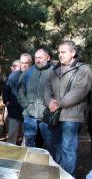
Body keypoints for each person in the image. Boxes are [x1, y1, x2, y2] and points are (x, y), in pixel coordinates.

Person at [44, 40, 92, 176]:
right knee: (56, 146)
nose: (60, 55)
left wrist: (58, 103)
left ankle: (67, 176)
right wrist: (49, 102)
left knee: (68, 149)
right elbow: (46, 88)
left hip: (72, 116)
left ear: (73, 53)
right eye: (59, 52)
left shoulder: (84, 69)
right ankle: (58, 174)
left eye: (63, 52)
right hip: (55, 115)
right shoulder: (55, 69)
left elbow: (79, 91)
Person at [18, 48, 53, 153]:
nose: (38, 60)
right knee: (29, 144)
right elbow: (20, 91)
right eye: (36, 58)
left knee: (49, 144)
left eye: (40, 57)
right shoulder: (28, 72)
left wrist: (51, 107)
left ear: (48, 57)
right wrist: (26, 105)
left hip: (47, 115)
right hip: (29, 115)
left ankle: (48, 167)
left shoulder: (55, 72)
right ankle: (29, 166)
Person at [2, 58, 27, 145]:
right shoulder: (13, 76)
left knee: (24, 134)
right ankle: (10, 150)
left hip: (25, 109)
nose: (13, 68)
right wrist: (6, 101)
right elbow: (6, 89)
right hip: (14, 108)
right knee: (13, 133)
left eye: (15, 66)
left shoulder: (30, 75)